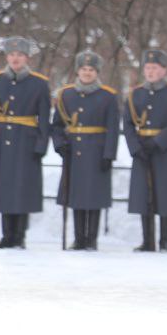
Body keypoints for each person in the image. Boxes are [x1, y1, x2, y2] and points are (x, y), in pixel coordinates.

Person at [0, 36, 49, 248]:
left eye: (19, 55)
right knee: (4, 188)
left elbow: (44, 118)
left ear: (26, 58)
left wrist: (41, 144)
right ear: (6, 57)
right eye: (12, 54)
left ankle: (19, 235)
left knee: (23, 188)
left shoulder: (39, 83)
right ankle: (6, 235)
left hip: (26, 142)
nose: (15, 58)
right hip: (1, 142)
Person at [51, 51, 119, 251]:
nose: (87, 73)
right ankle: (79, 237)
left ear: (97, 72)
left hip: (96, 150)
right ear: (77, 71)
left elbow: (113, 129)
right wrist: (60, 144)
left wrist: (109, 154)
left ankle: (92, 239)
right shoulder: (66, 94)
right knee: (76, 195)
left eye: (91, 70)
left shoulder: (108, 96)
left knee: (94, 196)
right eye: (84, 69)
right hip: (74, 151)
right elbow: (56, 125)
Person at [124, 49, 167, 252]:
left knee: (164, 194)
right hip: (142, 149)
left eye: (155, 68)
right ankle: (147, 240)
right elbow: (127, 123)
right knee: (144, 195)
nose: (150, 72)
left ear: (164, 70)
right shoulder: (135, 94)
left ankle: (164, 240)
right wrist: (135, 147)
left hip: (164, 150)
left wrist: (158, 142)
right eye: (147, 68)